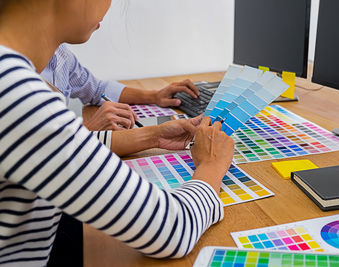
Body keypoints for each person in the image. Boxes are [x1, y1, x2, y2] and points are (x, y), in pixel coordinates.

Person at [0, 1, 234, 267]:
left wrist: (152, 136)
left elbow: (52, 149)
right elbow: (171, 229)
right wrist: (212, 165)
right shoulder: (15, 94)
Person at [41, 43, 200, 131]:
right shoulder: (22, 79)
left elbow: (97, 90)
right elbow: (47, 147)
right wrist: (88, 130)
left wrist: (153, 96)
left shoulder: (61, 53)